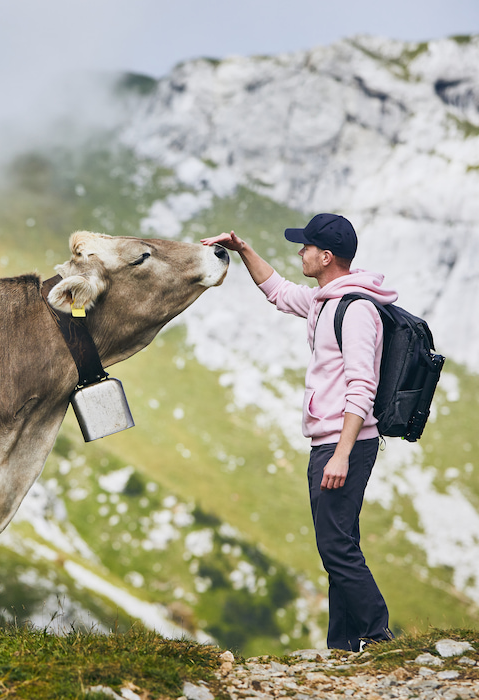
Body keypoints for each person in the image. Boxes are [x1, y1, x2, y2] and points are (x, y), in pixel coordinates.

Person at [202, 213, 396, 652]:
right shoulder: (326, 301)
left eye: (306, 247)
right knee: (340, 544)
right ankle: (345, 645)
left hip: (344, 443)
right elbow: (279, 291)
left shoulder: (357, 310)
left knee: (335, 547)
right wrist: (243, 248)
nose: (299, 252)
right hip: (331, 441)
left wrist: (342, 454)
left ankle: (379, 634)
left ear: (326, 257)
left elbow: (362, 387)